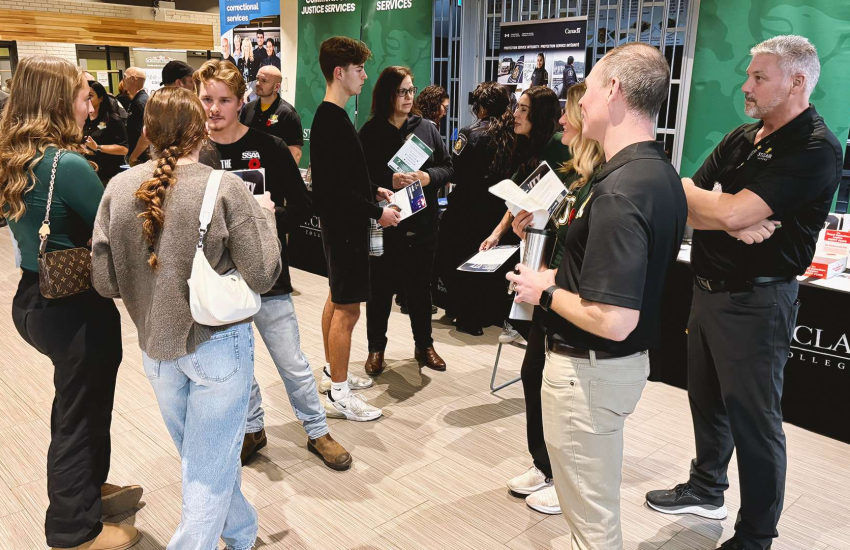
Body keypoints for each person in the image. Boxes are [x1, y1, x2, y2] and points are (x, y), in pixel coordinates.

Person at [645, 35, 843, 550]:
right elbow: (680, 192)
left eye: (758, 77)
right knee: (706, 402)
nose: (745, 86)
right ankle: (707, 488)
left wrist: (725, 212)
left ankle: (755, 535)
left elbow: (717, 206)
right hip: (707, 290)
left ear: (796, 82)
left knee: (756, 424)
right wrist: (730, 218)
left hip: (757, 302)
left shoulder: (815, 147)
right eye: (748, 75)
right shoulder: (742, 136)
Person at [508, 43, 687, 549]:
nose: (580, 102)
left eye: (587, 89)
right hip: (608, 371)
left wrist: (544, 289)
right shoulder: (655, 172)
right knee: (591, 509)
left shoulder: (621, 190)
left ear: (614, 91)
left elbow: (613, 319)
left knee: (592, 524)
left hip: (589, 374)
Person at [92, 85, 282, 550]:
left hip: (156, 348)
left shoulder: (117, 188)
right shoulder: (224, 187)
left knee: (203, 460)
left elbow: (105, 281)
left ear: (147, 130)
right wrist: (266, 217)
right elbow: (263, 273)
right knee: (208, 464)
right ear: (201, 131)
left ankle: (241, 533)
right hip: (217, 344)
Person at [1, 55, 142, 550]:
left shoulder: (16, 156)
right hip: (75, 305)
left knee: (82, 404)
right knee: (79, 416)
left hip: (35, 295)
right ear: (59, 102)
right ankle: (73, 530)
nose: (91, 105)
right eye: (84, 96)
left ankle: (86, 493)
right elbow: (117, 231)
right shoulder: (68, 165)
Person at [194, 60, 353, 470]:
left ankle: (317, 431)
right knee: (237, 365)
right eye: (207, 99)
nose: (214, 109)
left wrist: (264, 215)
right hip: (215, 280)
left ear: (240, 101)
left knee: (292, 362)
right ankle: (253, 429)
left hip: (267, 276)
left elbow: (303, 205)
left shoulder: (270, 147)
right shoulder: (194, 153)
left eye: (224, 100)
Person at [482, 83, 604, 518]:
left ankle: (565, 478)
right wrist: (525, 227)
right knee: (534, 373)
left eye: (571, 113)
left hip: (576, 297)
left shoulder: (606, 179)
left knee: (565, 390)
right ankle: (545, 465)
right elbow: (551, 224)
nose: (563, 121)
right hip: (551, 290)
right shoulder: (570, 170)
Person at [311, 36, 401, 421]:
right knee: (348, 311)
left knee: (337, 298)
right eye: (359, 69)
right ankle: (339, 394)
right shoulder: (331, 119)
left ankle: (334, 373)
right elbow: (333, 190)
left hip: (343, 226)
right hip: (345, 228)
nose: (364, 76)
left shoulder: (332, 116)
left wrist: (372, 189)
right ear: (339, 72)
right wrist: (376, 211)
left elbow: (343, 176)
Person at [358, 66, 454, 375]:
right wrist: (389, 180)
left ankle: (424, 345)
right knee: (379, 291)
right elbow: (359, 179)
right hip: (384, 223)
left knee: (420, 289)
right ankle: (376, 349)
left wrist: (427, 177)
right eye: (402, 91)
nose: (408, 96)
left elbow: (448, 168)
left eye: (411, 90)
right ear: (387, 94)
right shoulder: (370, 131)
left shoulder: (426, 128)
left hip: (422, 225)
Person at [434, 81, 516, 336]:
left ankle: (465, 314)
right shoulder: (513, 135)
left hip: (466, 207)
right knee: (488, 264)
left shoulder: (469, 133)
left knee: (456, 259)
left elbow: (455, 171)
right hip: (499, 209)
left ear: (480, 106)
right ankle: (483, 314)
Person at [240, 65, 304, 164]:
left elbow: (295, 154)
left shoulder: (288, 114)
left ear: (276, 87)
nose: (258, 83)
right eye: (257, 79)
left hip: (275, 171)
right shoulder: (247, 109)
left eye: (264, 81)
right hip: (249, 170)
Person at [83, 81, 129, 184]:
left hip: (109, 176)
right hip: (90, 173)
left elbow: (124, 149)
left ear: (101, 98)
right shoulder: (83, 119)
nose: (87, 100)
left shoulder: (113, 120)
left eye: (90, 96)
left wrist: (98, 147)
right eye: (84, 96)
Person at [123, 67, 150, 165]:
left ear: (133, 79)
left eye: (124, 77)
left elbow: (147, 133)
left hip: (141, 158)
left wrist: (134, 156)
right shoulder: (138, 100)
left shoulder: (140, 102)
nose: (122, 80)